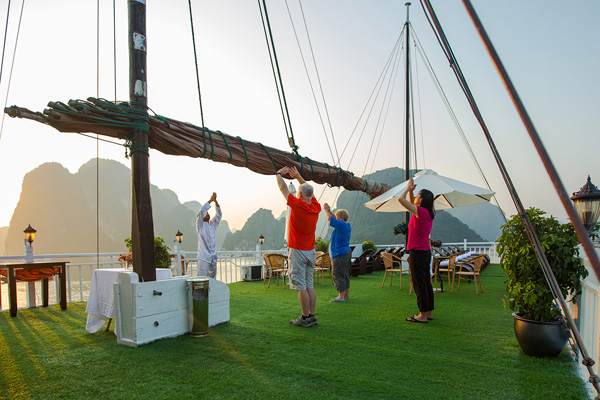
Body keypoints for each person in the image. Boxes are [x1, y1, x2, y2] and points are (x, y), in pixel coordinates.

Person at [276, 166, 321, 327]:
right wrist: (298, 177)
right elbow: (310, 192)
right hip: (311, 252)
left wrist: (278, 173)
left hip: (298, 252)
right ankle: (312, 316)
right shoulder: (316, 207)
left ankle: (304, 318)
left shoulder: (297, 205)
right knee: (309, 285)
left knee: (301, 287)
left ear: (299, 194)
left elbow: (282, 187)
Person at [398, 178, 435, 323]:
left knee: (419, 283)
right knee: (425, 282)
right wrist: (413, 192)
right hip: (424, 251)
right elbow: (411, 203)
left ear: (422, 200)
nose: (416, 198)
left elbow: (401, 200)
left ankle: (422, 315)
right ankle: (428, 312)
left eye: (418, 195)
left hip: (418, 253)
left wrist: (407, 189)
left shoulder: (421, 212)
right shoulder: (426, 212)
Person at [323, 204, 351, 302]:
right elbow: (334, 218)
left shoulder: (341, 225)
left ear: (341, 217)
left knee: (338, 274)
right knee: (344, 275)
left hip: (339, 254)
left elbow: (330, 219)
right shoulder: (344, 225)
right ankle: (346, 295)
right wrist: (330, 211)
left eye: (338, 216)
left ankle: (341, 296)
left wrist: (326, 210)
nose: (336, 218)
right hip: (345, 253)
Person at [196, 192, 222, 278]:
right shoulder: (200, 225)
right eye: (206, 213)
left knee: (213, 278)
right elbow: (202, 210)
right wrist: (210, 200)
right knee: (202, 278)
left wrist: (215, 201)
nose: (207, 213)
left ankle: (212, 291)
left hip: (213, 256)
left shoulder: (213, 224)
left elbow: (219, 215)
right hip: (203, 257)